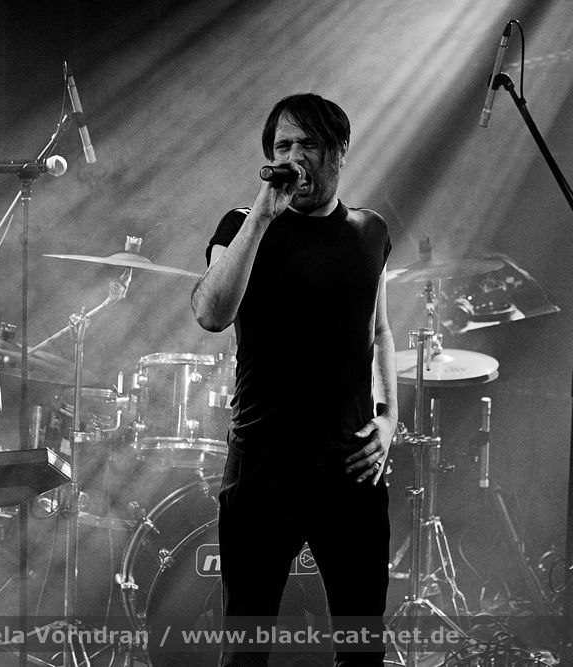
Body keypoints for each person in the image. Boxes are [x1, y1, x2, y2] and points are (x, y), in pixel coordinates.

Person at [191, 93, 398, 667]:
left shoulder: (370, 231)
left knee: (362, 649)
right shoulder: (241, 224)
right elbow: (211, 313)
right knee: (246, 650)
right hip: (264, 463)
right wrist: (261, 217)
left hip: (350, 465)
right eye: (282, 146)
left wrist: (389, 417)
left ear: (339, 153)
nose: (293, 157)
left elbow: (380, 329)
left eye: (308, 144)